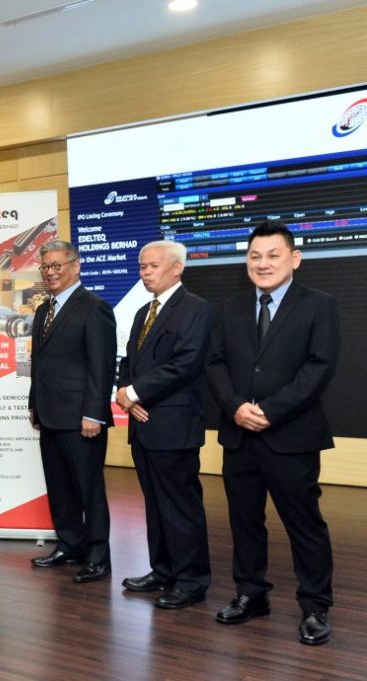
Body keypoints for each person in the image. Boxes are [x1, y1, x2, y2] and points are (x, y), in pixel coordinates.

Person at [206, 221, 339, 645]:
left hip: (292, 436)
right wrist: (235, 407)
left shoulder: (320, 305)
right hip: (239, 434)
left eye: (273, 255)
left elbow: (319, 368)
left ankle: (315, 606)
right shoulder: (228, 309)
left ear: (294, 259)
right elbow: (214, 364)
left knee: (304, 524)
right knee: (245, 521)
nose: (263, 264)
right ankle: (251, 594)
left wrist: (269, 410)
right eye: (255, 256)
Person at [115, 241, 212, 608]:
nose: (145, 272)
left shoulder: (196, 309)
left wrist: (135, 393)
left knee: (180, 507)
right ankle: (163, 570)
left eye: (152, 266)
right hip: (143, 423)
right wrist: (125, 392)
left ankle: (191, 580)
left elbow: (186, 364)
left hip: (174, 424)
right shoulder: (143, 311)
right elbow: (129, 360)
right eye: (142, 266)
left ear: (177, 268)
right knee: (155, 504)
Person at [28, 240, 116, 583]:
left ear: (76, 266)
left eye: (57, 266)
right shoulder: (42, 310)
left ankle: (97, 556)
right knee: (60, 487)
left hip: (82, 419)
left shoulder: (94, 308)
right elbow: (39, 363)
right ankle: (69, 544)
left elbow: (101, 366)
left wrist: (94, 414)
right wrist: (35, 404)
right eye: (45, 267)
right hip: (49, 415)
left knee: (88, 490)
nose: (50, 273)